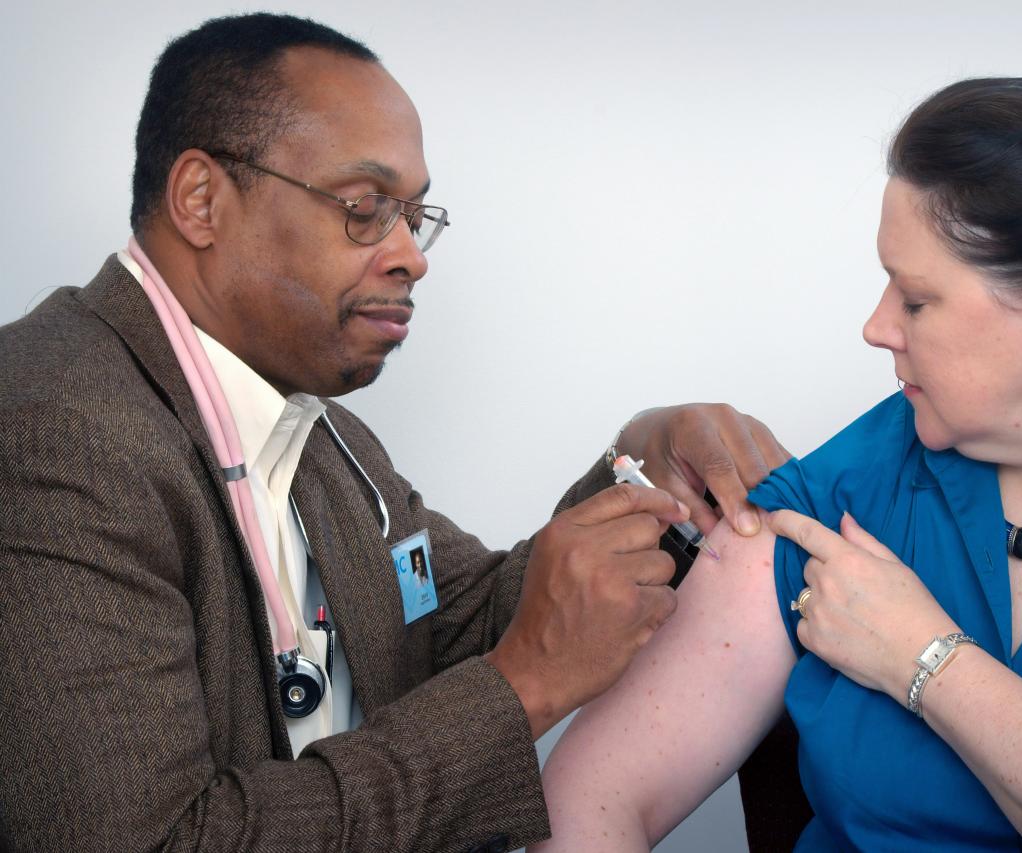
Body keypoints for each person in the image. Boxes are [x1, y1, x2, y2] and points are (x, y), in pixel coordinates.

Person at [0, 14, 793, 853]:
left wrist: (641, 477)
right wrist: (522, 688)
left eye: (415, 215)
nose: (413, 255)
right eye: (367, 207)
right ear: (201, 200)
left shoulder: (322, 436)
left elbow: (466, 618)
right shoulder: (52, 433)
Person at [533, 63, 1022, 851]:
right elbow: (588, 798)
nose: (877, 326)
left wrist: (925, 659)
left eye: (916, 299)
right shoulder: (850, 488)